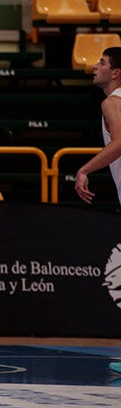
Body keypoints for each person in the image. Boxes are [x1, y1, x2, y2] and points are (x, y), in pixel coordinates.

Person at [72, 46, 121, 375]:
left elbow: (119, 143)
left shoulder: (111, 102)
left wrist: (85, 170)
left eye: (101, 63)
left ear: (115, 72)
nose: (94, 66)